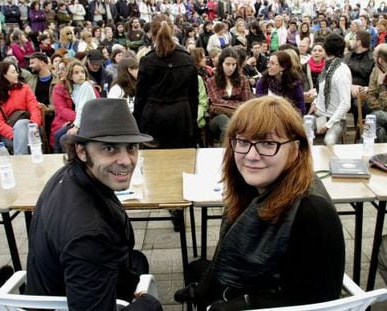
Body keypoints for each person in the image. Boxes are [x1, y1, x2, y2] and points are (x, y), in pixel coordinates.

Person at [174, 96, 345, 311]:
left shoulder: (312, 213)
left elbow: (317, 303)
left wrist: (243, 304)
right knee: (197, 269)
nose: (252, 156)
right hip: (254, 288)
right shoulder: (251, 190)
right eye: (243, 142)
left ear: (295, 149)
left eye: (267, 143)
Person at [25, 98, 163, 311]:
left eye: (132, 147)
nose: (126, 160)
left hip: (52, 286)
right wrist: (147, 303)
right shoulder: (88, 237)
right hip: (62, 301)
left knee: (137, 261)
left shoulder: (68, 175)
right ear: (82, 151)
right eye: (109, 148)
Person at [134, 14, 198, 148]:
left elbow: (140, 97)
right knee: (181, 161)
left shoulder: (147, 60)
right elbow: (194, 96)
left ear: (151, 33)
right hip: (181, 116)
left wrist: (138, 123)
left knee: (154, 163)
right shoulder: (187, 59)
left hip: (154, 116)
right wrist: (192, 119)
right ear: (173, 30)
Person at [0, 61, 42, 155]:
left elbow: (34, 109)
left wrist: (33, 127)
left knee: (21, 125)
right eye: (13, 72)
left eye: (16, 71)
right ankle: (23, 164)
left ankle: (19, 166)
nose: (17, 74)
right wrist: (17, 134)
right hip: (8, 134)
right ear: (4, 75)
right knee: (21, 139)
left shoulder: (25, 88)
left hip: (30, 127)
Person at [309, 33, 352, 145]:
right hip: (320, 115)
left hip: (336, 120)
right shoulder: (327, 67)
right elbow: (321, 90)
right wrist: (315, 101)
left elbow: (346, 103)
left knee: (329, 141)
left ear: (326, 49)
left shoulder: (342, 71)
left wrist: (328, 124)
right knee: (300, 131)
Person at [206, 47, 252, 142]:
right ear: (221, 64)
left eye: (233, 64)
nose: (231, 68)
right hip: (218, 118)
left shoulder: (243, 80)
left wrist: (226, 107)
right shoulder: (211, 81)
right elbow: (216, 101)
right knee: (225, 124)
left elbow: (247, 102)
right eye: (227, 64)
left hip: (239, 117)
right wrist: (238, 106)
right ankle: (227, 154)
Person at [256, 51, 306, 115]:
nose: (268, 66)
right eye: (268, 62)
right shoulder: (262, 82)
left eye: (272, 63)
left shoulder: (294, 84)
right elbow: (258, 107)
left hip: (288, 120)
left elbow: (301, 109)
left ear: (283, 67)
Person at [367, 43, 387, 142]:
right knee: (380, 131)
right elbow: (370, 95)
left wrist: (381, 85)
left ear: (380, 59)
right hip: (381, 113)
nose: (373, 59)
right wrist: (381, 109)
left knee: (374, 117)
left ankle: (364, 143)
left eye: (375, 56)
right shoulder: (375, 71)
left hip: (380, 115)